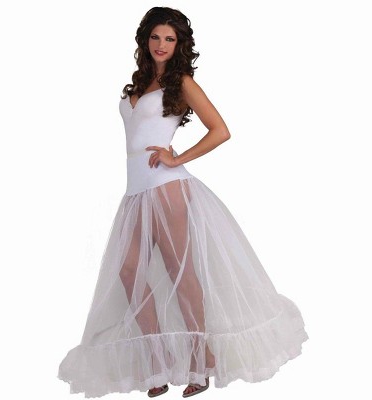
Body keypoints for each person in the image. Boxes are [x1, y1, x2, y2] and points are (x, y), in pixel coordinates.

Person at [57, 6, 309, 398]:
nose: (161, 44)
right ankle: (157, 362)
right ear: (145, 40)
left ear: (179, 44)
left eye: (169, 39)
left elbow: (220, 130)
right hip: (135, 191)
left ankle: (201, 359)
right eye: (155, 37)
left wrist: (177, 158)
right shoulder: (138, 84)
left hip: (166, 186)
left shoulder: (183, 83)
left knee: (181, 271)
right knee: (129, 271)